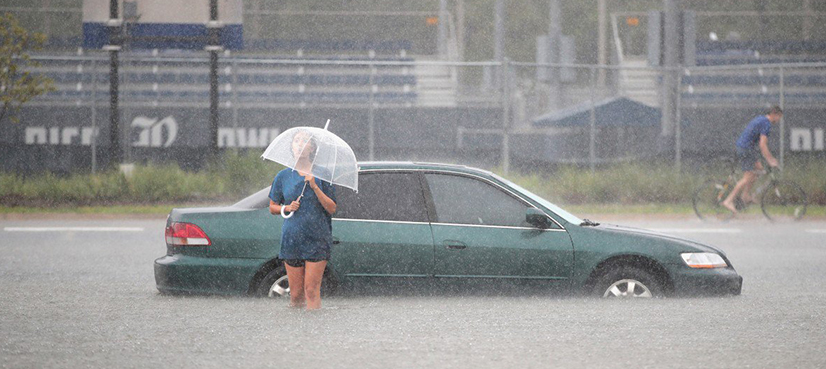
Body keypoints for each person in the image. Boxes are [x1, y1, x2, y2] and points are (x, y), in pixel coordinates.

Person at [268, 130, 337, 310]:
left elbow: (331, 208)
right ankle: (296, 325)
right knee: (296, 294)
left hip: (317, 239)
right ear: (292, 147)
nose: (300, 144)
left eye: (305, 141)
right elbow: (272, 207)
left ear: (312, 148)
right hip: (292, 239)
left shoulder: (323, 174)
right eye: (297, 140)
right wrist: (286, 208)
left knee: (311, 290)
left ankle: (314, 325)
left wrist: (315, 186)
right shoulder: (283, 176)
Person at [722, 106, 782, 214]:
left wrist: (768, 158)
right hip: (746, 149)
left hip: (746, 148)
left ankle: (745, 195)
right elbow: (762, 145)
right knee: (747, 178)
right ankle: (728, 201)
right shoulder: (766, 124)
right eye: (779, 117)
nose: (779, 120)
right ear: (774, 114)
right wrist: (770, 160)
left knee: (759, 169)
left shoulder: (761, 119)